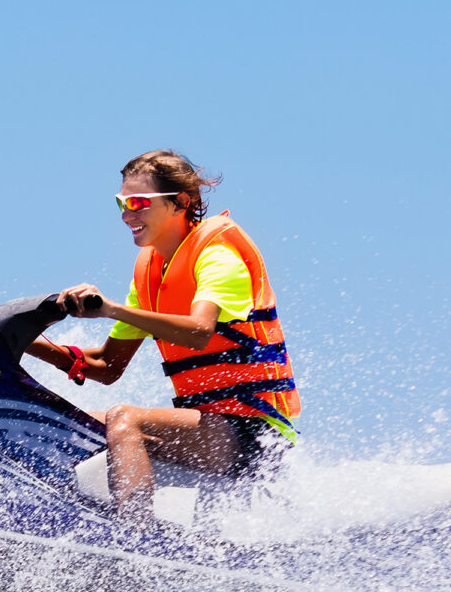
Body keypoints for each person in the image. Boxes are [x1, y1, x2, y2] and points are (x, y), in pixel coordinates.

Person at [25, 149, 300, 522]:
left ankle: (135, 540)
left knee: (124, 419)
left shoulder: (219, 256)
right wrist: (23, 341)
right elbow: (105, 366)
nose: (127, 215)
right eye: (121, 203)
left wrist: (110, 310)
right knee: (74, 423)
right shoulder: (150, 276)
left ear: (180, 202)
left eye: (139, 203)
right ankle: (58, 519)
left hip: (255, 434)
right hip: (209, 428)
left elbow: (201, 332)